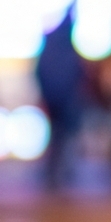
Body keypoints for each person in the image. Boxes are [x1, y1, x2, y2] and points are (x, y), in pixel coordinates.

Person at [34, 12, 87, 187]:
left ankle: (53, 170)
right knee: (63, 136)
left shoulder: (50, 43)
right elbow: (78, 75)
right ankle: (58, 170)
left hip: (54, 98)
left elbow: (39, 73)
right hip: (63, 100)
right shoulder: (67, 47)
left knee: (57, 136)